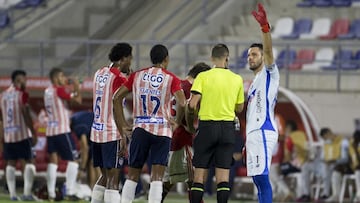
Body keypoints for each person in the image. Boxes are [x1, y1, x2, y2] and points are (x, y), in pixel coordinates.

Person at [113, 44, 186, 203]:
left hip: (140, 129)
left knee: (132, 175)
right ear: (166, 59)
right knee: (157, 177)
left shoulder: (137, 76)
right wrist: (177, 122)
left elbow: (116, 98)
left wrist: (124, 124)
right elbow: (182, 103)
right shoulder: (172, 78)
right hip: (162, 130)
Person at [186, 43, 245, 203]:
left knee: (199, 176)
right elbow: (239, 108)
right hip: (227, 129)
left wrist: (190, 118)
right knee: (223, 177)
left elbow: (192, 104)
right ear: (227, 58)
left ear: (212, 58)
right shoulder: (237, 79)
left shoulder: (203, 77)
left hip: (207, 128)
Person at [245, 3, 280, 203]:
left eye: (254, 54)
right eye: (249, 55)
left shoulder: (269, 73)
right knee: (257, 178)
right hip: (254, 133)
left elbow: (268, 52)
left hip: (264, 130)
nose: (250, 57)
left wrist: (265, 28)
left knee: (262, 177)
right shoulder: (253, 83)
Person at [161, 62, 211, 203]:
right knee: (195, 179)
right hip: (182, 138)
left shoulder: (177, 85)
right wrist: (189, 126)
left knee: (170, 179)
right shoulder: (191, 89)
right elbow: (187, 108)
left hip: (171, 137)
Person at [90, 42, 133, 203]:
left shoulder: (99, 73)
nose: (131, 61)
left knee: (105, 176)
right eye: (130, 58)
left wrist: (126, 78)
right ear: (123, 58)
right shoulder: (119, 78)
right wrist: (123, 135)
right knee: (113, 179)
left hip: (96, 131)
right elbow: (116, 108)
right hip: (111, 133)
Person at [44, 67, 82, 201]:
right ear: (55, 78)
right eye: (61, 76)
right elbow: (78, 100)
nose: (63, 78)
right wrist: (76, 86)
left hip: (50, 130)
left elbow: (64, 102)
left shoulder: (47, 91)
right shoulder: (59, 90)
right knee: (74, 160)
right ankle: (70, 191)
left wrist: (68, 86)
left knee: (53, 161)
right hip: (62, 130)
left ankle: (51, 193)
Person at [0, 70, 38, 201]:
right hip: (22, 134)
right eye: (24, 79)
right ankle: (27, 193)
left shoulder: (3, 95)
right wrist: (33, 132)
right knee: (30, 162)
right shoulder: (22, 94)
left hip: (8, 134)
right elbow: (25, 112)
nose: (25, 82)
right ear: (18, 80)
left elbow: (1, 117)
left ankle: (12, 195)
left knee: (10, 163)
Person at [70, 110, 100, 188]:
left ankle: (98, 190)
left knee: (94, 163)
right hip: (95, 134)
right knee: (90, 162)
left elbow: (84, 147)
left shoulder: (77, 124)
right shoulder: (76, 116)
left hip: (100, 134)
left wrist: (81, 169)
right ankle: (92, 190)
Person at [319, 127, 350, 202]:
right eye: (324, 139)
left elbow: (345, 158)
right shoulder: (326, 144)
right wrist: (325, 162)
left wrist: (334, 161)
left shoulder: (343, 141)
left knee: (331, 168)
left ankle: (335, 194)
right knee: (323, 167)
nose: (326, 140)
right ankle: (326, 193)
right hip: (328, 165)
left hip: (342, 165)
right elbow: (322, 157)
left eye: (326, 137)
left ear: (329, 133)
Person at [349, 130, 360, 202]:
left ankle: (358, 195)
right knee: (358, 173)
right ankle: (358, 195)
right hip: (355, 168)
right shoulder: (351, 145)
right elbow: (353, 158)